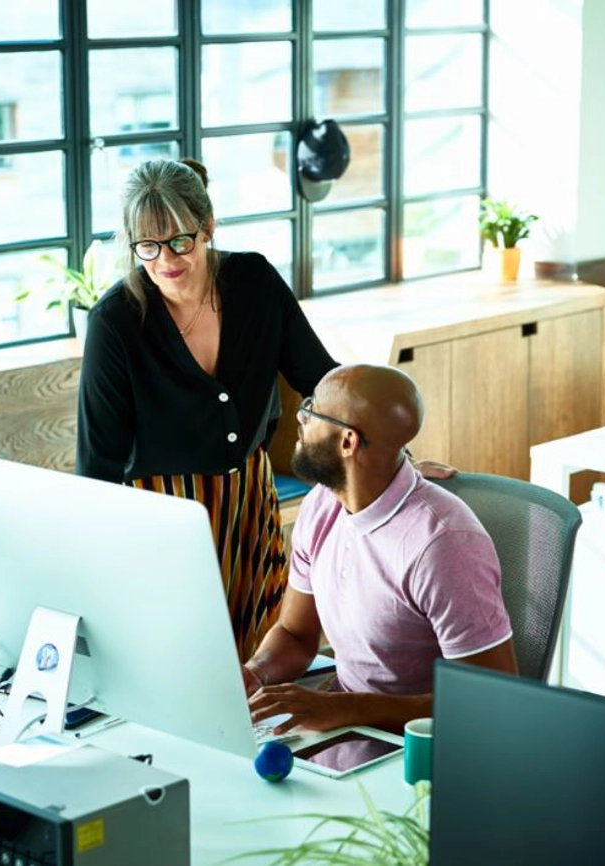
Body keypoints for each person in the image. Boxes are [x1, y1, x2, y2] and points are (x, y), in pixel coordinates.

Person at [76, 158, 338, 662]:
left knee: (266, 658)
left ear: (208, 226)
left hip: (249, 503)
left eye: (179, 240)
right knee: (184, 661)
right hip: (163, 519)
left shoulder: (255, 282)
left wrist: (395, 459)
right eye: (147, 246)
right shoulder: (115, 323)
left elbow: (322, 380)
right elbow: (98, 464)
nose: (165, 260)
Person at [242, 364, 518, 734]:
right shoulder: (321, 506)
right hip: (346, 724)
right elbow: (294, 634)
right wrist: (254, 674)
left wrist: (347, 708)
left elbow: (489, 700)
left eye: (311, 410)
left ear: (347, 442)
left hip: (418, 748)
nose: (301, 419)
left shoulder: (443, 544)